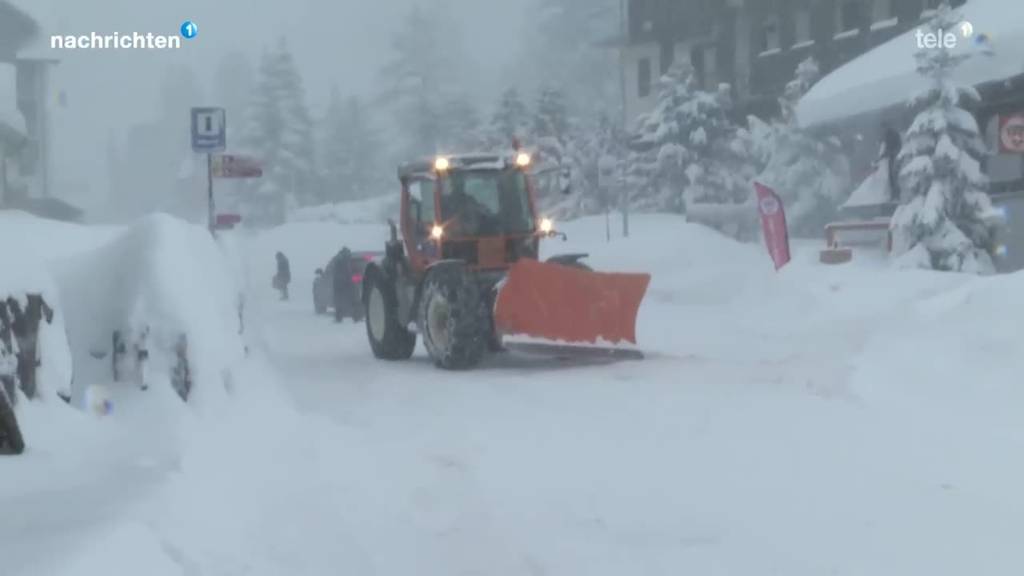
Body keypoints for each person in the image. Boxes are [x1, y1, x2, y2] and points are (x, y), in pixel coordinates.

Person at [332, 247, 357, 322]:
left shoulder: (338, 260)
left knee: (339, 300)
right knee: (352, 300)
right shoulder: (347, 260)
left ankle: (339, 317)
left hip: (339, 283)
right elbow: (348, 271)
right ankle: (355, 316)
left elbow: (335, 271)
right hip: (346, 282)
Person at [879, 123, 902, 203]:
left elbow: (899, 145)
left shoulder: (894, 134)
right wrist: (882, 156)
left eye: (884, 127)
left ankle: (898, 194)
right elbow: (887, 149)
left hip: (896, 157)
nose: (883, 129)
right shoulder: (887, 135)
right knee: (891, 177)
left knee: (895, 175)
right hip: (891, 158)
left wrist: (893, 153)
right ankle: (894, 195)